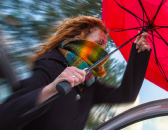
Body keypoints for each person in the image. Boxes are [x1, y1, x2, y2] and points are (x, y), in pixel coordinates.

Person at [0, 16, 151, 130]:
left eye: (104, 46)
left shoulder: (90, 84)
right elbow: (6, 116)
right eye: (98, 43)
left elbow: (126, 95)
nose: (102, 51)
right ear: (79, 36)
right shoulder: (51, 64)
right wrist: (51, 89)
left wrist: (139, 55)